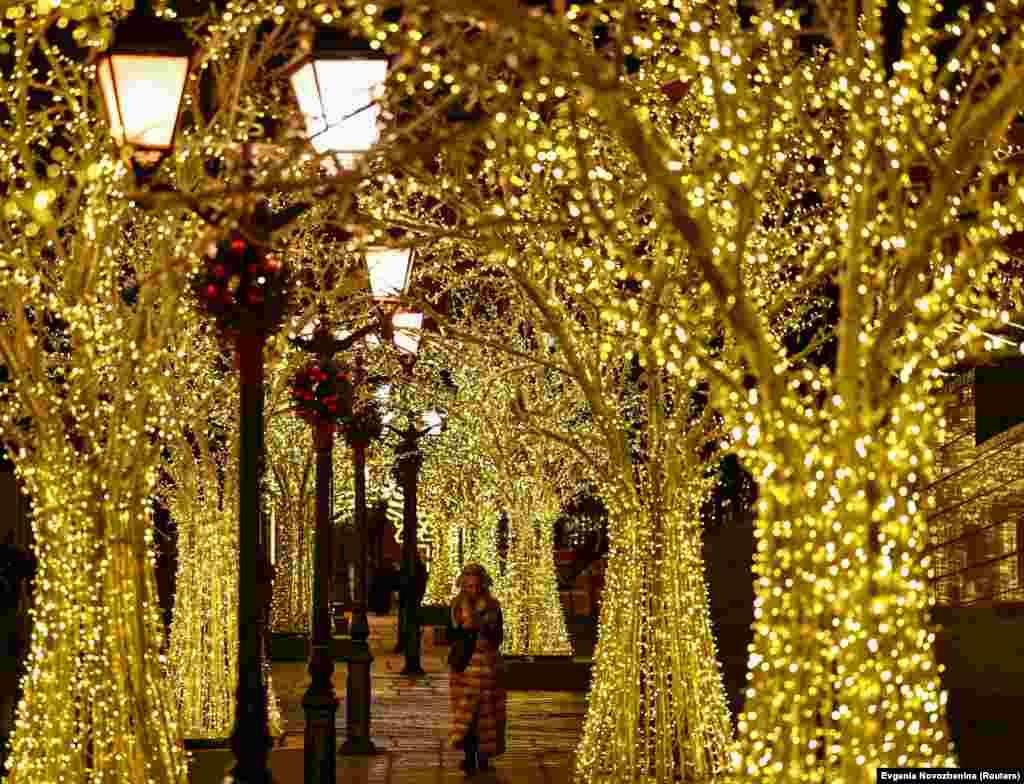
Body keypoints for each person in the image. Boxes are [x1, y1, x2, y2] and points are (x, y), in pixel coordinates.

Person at [448, 563, 506, 774]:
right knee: (466, 716)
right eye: (468, 585)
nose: (472, 589)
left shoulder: (493, 607)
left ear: (482, 585)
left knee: (487, 715)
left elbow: (498, 637)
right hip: (463, 666)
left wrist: (483, 626)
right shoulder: (456, 606)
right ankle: (468, 756)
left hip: (487, 666)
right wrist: (463, 630)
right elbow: (449, 637)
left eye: (476, 585)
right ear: (463, 585)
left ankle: (483, 756)